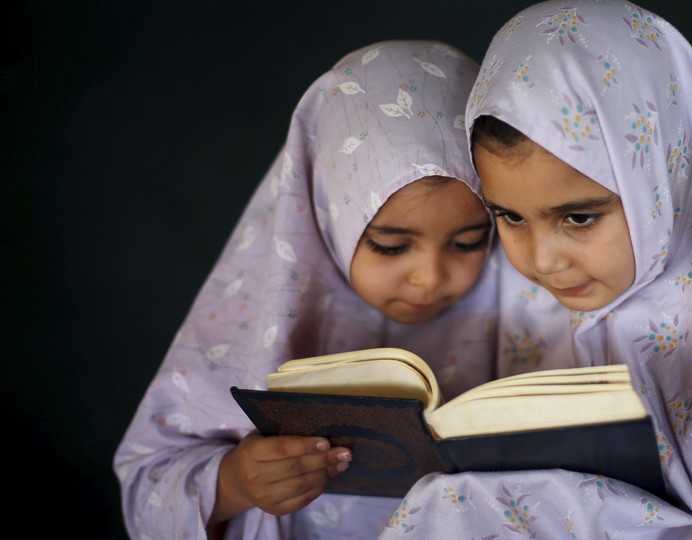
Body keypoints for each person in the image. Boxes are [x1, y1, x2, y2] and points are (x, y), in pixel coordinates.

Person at [376, 1, 692, 538]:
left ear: (660, 174)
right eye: (510, 217)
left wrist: (497, 504)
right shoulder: (528, 302)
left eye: (580, 217)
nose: (542, 261)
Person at [114, 40, 499, 540]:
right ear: (324, 212)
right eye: (389, 246)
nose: (429, 276)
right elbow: (145, 493)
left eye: (469, 242)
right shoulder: (256, 318)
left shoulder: (524, 311)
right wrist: (234, 482)